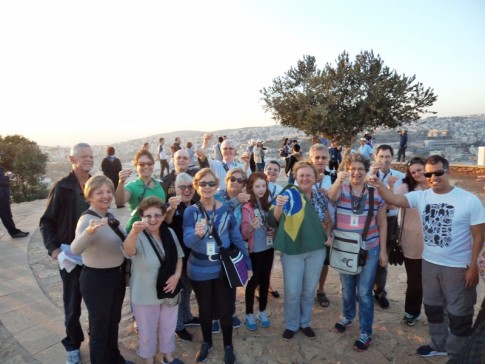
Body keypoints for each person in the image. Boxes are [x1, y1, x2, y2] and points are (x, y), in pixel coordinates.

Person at [366, 155, 485, 358]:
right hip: (429, 263)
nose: (432, 177)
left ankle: (458, 352)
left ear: (447, 171)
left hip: (458, 266)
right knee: (433, 307)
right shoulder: (422, 196)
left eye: (437, 173)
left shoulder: (468, 200)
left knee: (459, 311)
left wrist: (473, 266)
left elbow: (479, 235)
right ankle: (438, 344)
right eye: (428, 174)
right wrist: (379, 185)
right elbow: (395, 200)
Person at [183, 168, 251, 364]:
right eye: (202, 184)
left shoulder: (225, 210)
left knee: (225, 308)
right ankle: (207, 342)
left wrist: (247, 263)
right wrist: (197, 233)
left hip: (223, 270)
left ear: (217, 185)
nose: (207, 187)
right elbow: (187, 242)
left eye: (211, 183)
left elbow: (236, 238)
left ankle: (228, 345)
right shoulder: (191, 212)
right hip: (199, 270)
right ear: (196, 186)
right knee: (205, 309)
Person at [328, 153, 388, 352]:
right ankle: (347, 316)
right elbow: (331, 196)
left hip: (369, 247)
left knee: (363, 291)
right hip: (345, 247)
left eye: (360, 168)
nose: (356, 172)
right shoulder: (342, 189)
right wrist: (339, 179)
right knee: (346, 287)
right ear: (347, 169)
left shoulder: (375, 192)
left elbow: (382, 221)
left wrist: (383, 251)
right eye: (352, 168)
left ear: (367, 170)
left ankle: (365, 331)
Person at [40, 142, 94, 364]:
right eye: (84, 156)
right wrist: (54, 250)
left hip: (93, 256)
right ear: (72, 160)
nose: (89, 159)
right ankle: (72, 345)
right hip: (70, 256)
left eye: (91, 156)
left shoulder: (95, 184)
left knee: (96, 303)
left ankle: (97, 339)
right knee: (72, 305)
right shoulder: (62, 187)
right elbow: (46, 221)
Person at [71, 175, 130, 364]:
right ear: (90, 196)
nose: (106, 196)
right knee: (99, 327)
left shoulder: (109, 216)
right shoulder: (87, 220)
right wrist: (89, 233)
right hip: (97, 280)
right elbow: (75, 248)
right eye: (99, 192)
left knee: (113, 322)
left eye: (108, 191)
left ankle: (114, 357)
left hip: (115, 276)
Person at [269, 161, 331, 341]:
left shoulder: (320, 197)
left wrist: (328, 235)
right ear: (296, 177)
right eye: (301, 175)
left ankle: (305, 322)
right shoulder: (288, 194)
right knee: (292, 291)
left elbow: (329, 220)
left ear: (315, 177)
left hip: (316, 250)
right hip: (293, 249)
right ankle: (291, 324)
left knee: (309, 290)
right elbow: (274, 219)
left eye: (308, 175)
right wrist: (279, 206)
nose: (305, 178)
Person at [123, 196, 184, 364]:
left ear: (164, 216)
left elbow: (179, 256)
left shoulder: (169, 232)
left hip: (169, 289)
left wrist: (177, 275)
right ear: (141, 217)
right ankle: (149, 359)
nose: (153, 219)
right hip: (144, 293)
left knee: (168, 326)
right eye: (148, 216)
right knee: (147, 330)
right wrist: (134, 232)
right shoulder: (137, 235)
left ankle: (168, 356)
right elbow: (128, 251)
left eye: (157, 215)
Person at [212, 168, 250, 332]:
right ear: (226, 180)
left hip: (233, 248)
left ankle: (229, 313)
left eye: (240, 180)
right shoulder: (217, 195)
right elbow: (217, 213)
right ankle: (214, 316)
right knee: (214, 282)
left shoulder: (245, 200)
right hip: (215, 247)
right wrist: (236, 202)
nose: (235, 182)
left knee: (231, 281)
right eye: (232, 179)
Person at [164, 173, 201, 342]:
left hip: (191, 257)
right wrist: (171, 209)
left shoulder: (195, 205)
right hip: (177, 259)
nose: (186, 190)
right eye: (182, 187)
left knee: (187, 290)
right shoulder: (171, 206)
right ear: (175, 189)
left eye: (190, 187)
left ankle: (187, 317)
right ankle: (177, 326)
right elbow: (168, 221)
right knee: (177, 293)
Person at [390, 157, 427, 326]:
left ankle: (437, 314)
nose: (417, 174)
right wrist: (389, 188)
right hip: (412, 242)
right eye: (413, 172)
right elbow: (391, 205)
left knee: (434, 281)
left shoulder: (436, 187)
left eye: (420, 170)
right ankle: (412, 311)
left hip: (434, 244)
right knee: (414, 281)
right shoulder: (405, 188)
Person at [241, 173, 275, 331]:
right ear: (251, 188)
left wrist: (272, 232)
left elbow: (274, 224)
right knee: (254, 281)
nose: (261, 189)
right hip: (255, 250)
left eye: (263, 186)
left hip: (269, 248)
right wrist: (251, 228)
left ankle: (262, 311)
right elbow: (243, 234)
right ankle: (249, 313)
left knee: (265, 280)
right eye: (257, 186)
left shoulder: (268, 203)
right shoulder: (247, 207)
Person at [372, 145, 404, 309]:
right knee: (366, 256)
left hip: (390, 221)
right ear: (376, 157)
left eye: (387, 157)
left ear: (392, 158)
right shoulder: (368, 175)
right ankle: (363, 290)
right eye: (381, 157)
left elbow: (397, 203)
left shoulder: (400, 177)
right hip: (370, 221)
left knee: (383, 258)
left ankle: (380, 292)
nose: (384, 160)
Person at [307, 144, 334, 308]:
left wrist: (330, 195)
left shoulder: (334, 175)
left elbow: (339, 198)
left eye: (323, 157)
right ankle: (307, 291)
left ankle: (321, 289)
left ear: (328, 159)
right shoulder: (302, 175)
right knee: (308, 261)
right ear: (311, 158)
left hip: (327, 227)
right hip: (308, 228)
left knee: (324, 261)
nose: (320, 160)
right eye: (317, 157)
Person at [115, 150, 166, 232]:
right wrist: (121, 182)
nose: (146, 166)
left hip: (157, 231)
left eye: (149, 163)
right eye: (142, 164)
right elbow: (120, 202)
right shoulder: (132, 186)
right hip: (138, 233)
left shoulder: (160, 184)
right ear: (136, 166)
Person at [0, 152, 29, 239]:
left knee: (6, 215)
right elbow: (2, 181)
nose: (1, 157)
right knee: (6, 215)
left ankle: (14, 232)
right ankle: (14, 233)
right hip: (1, 197)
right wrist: (8, 176)